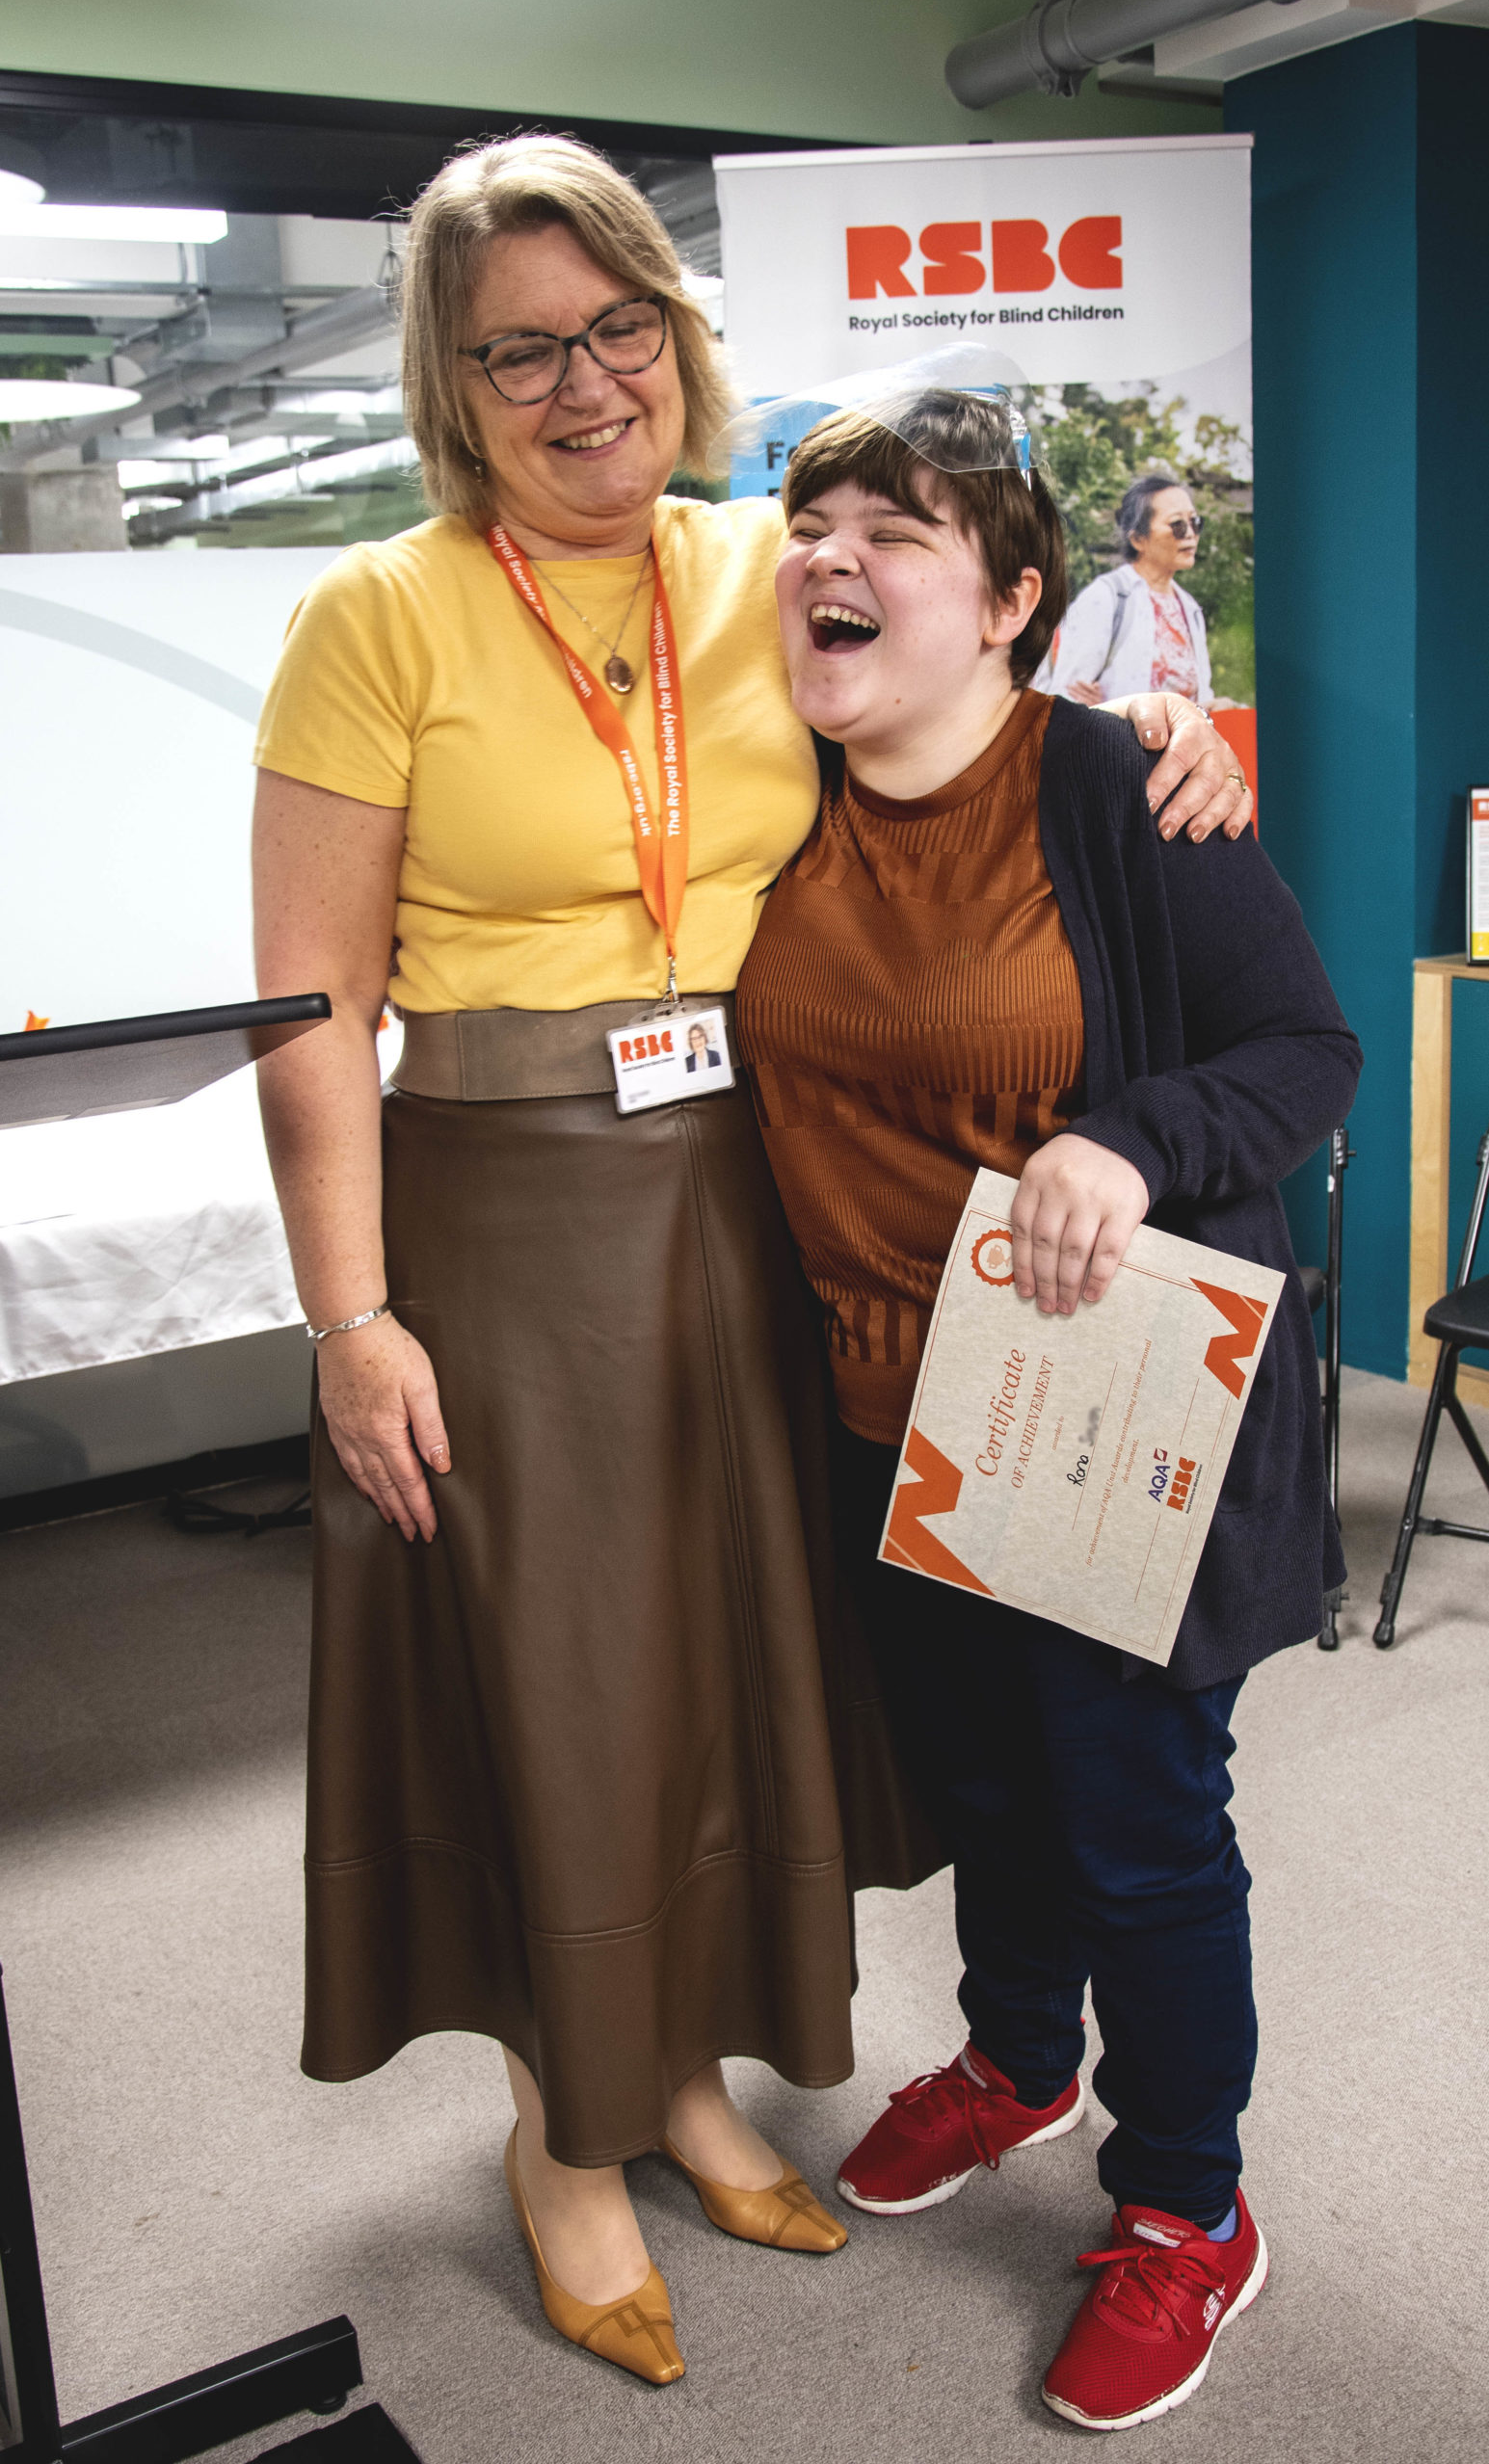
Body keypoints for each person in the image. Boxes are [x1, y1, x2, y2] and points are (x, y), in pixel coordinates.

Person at [251, 132, 1251, 2388]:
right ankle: (563, 2127)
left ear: (675, 338)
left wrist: (1151, 735)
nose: (580, 380)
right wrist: (350, 1311)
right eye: (520, 348)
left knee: (727, 1672)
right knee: (554, 1676)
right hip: (504, 1219)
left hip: (766, 1195)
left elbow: (968, 709)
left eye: (616, 325)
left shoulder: (754, 563)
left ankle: (686, 2071)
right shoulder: (376, 614)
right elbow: (310, 1004)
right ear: (454, 379)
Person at [734, 388, 1360, 2431]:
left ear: (1010, 601)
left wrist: (1134, 1133)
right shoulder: (775, 793)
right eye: (808, 516)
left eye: (888, 529)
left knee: (1135, 1820)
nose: (828, 551)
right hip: (878, 1414)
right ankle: (1019, 2053)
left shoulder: (1115, 789)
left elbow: (1302, 1043)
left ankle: (1187, 2203)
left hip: (1087, 1412)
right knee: (984, 1786)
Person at [1043, 473, 1233, 713]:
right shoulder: (1108, 597)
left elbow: (1197, 697)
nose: (1190, 534)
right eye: (1177, 525)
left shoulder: (1188, 607)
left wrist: (1217, 706)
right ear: (1138, 539)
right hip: (1114, 748)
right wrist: (1106, 713)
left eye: (1195, 523)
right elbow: (1065, 699)